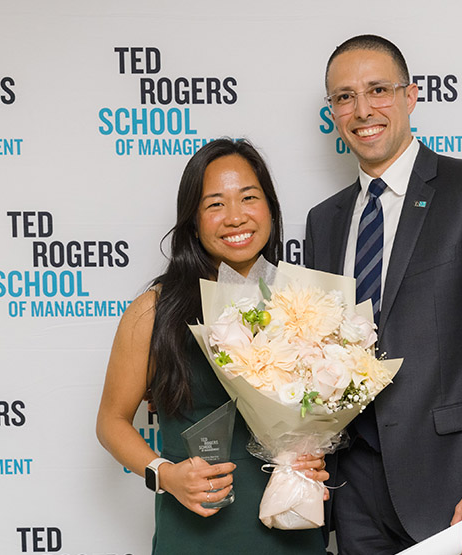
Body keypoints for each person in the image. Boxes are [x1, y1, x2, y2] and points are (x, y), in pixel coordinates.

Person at [304, 35, 462, 555]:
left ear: (411, 97)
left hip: (450, 485)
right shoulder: (324, 222)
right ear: (333, 113)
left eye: (378, 90)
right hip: (351, 491)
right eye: (343, 97)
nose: (362, 109)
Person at [96, 139, 328, 555]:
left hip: (292, 529)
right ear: (193, 220)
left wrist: (311, 456)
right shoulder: (155, 310)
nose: (235, 217)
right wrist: (164, 475)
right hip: (196, 534)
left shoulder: (304, 303)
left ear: (271, 209)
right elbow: (111, 421)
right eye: (215, 204)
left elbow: (321, 410)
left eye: (249, 198)